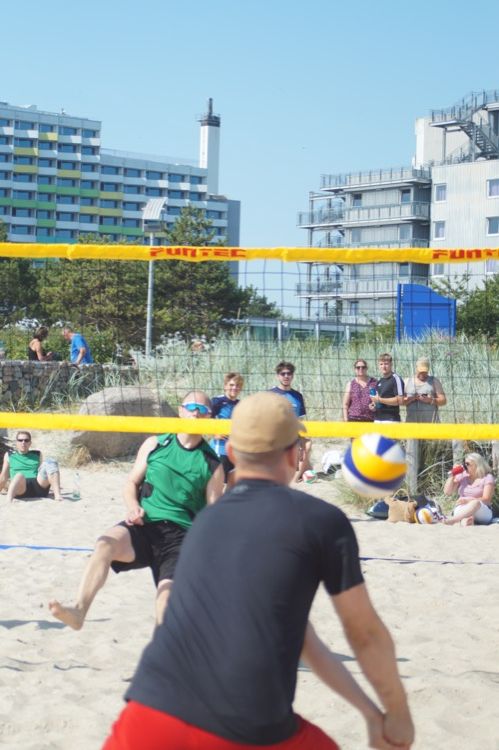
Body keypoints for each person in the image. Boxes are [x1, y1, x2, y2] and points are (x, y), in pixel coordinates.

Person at [103, 392, 414, 750]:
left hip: (145, 718)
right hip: (244, 729)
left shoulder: (204, 523)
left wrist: (369, 713)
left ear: (232, 453)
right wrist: (396, 713)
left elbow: (304, 639)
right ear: (295, 454)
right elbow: (365, 634)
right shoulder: (322, 521)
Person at [49, 391, 224, 630]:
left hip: (180, 538)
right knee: (105, 544)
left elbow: (213, 516)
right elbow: (131, 483)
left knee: (165, 602)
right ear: (181, 411)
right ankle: (79, 610)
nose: (195, 412)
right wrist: (133, 507)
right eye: (191, 407)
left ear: (209, 418)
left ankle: (166, 648)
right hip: (144, 525)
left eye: (202, 409)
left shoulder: (212, 463)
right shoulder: (155, 444)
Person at [270, 361, 312, 482]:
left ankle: (298, 476)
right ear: (278, 376)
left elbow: (300, 420)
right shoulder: (270, 394)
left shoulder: (297, 396)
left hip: (293, 435)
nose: (286, 376)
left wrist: (302, 439)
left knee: (308, 443)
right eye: (283, 374)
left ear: (292, 376)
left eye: (289, 373)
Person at [0, 430, 63, 502]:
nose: (23, 442)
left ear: (30, 443)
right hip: (20, 489)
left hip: (38, 487)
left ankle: (58, 496)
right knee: (19, 475)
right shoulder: (9, 455)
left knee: (50, 462)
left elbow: (43, 472)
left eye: (26, 440)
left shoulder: (37, 454)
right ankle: (9, 500)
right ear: (16, 442)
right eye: (20, 440)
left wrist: (53, 483)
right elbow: (3, 476)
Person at [443, 452, 495, 526]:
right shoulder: (463, 475)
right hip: (463, 508)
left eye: (467, 464)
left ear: (477, 465)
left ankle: (454, 520)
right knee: (466, 519)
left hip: (481, 510)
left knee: (475, 502)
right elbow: (447, 492)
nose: (464, 466)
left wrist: (468, 500)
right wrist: (452, 474)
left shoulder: (487, 477)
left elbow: (486, 499)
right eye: (464, 463)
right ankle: (465, 521)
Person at [209, 371, 244, 482]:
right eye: (231, 385)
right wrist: (214, 433)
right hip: (220, 450)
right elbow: (206, 420)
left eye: (237, 385)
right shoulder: (217, 401)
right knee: (220, 483)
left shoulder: (241, 404)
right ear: (225, 386)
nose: (234, 388)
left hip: (236, 451)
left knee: (233, 483)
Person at [404, 357, 447, 423]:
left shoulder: (434, 381)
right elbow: (400, 401)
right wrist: (411, 398)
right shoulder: (407, 382)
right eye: (421, 371)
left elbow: (443, 401)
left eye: (425, 372)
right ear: (416, 368)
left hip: (432, 425)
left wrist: (430, 400)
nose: (423, 374)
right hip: (412, 425)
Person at [370, 353, 404, 422]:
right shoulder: (379, 381)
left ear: (391, 364)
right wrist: (373, 405)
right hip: (378, 419)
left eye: (386, 364)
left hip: (391, 420)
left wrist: (380, 400)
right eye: (381, 364)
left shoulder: (396, 379)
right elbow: (378, 401)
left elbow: (400, 400)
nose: (383, 366)